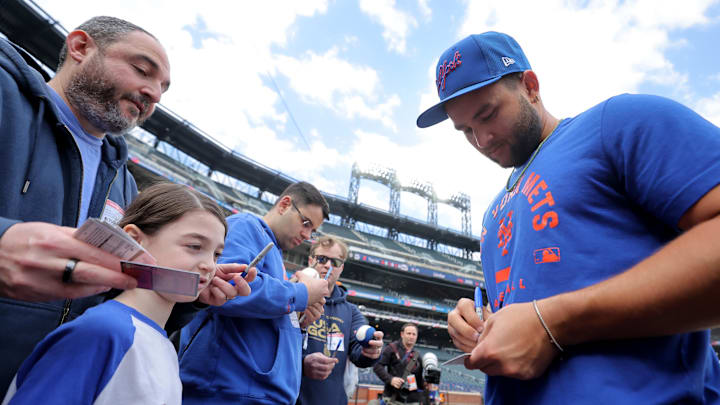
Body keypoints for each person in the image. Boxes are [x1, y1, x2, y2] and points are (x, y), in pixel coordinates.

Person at [417, 31, 720, 403]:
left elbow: (543, 317)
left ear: (530, 86)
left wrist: (552, 323)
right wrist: (479, 323)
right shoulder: (492, 214)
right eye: (465, 130)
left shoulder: (616, 124)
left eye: (488, 114)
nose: (481, 139)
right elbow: (532, 308)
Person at [0, 16, 243, 395]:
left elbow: (114, 296)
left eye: (163, 88)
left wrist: (189, 294)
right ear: (81, 48)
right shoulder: (5, 99)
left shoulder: (123, 183)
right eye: (142, 70)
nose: (155, 94)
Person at [2, 183, 256, 404]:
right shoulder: (103, 331)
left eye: (216, 254)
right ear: (135, 239)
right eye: (194, 246)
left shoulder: (160, 342)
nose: (209, 265)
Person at [179, 181, 332, 404]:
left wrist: (301, 318)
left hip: (258, 392)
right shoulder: (246, 225)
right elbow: (226, 288)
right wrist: (302, 294)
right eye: (306, 223)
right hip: (227, 391)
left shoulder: (274, 252)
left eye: (313, 230)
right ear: (285, 204)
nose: (307, 234)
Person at [297, 236, 384, 405]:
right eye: (321, 259)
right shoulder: (292, 298)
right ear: (310, 260)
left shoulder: (351, 312)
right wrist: (302, 363)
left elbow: (359, 354)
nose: (328, 265)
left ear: (341, 268)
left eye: (335, 262)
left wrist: (371, 351)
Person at [373, 323, 424, 405]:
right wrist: (391, 379)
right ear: (402, 334)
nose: (411, 336)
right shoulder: (392, 348)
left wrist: (427, 383)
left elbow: (420, 381)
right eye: (409, 333)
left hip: (413, 400)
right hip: (393, 398)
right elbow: (377, 366)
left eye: (414, 334)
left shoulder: (418, 355)